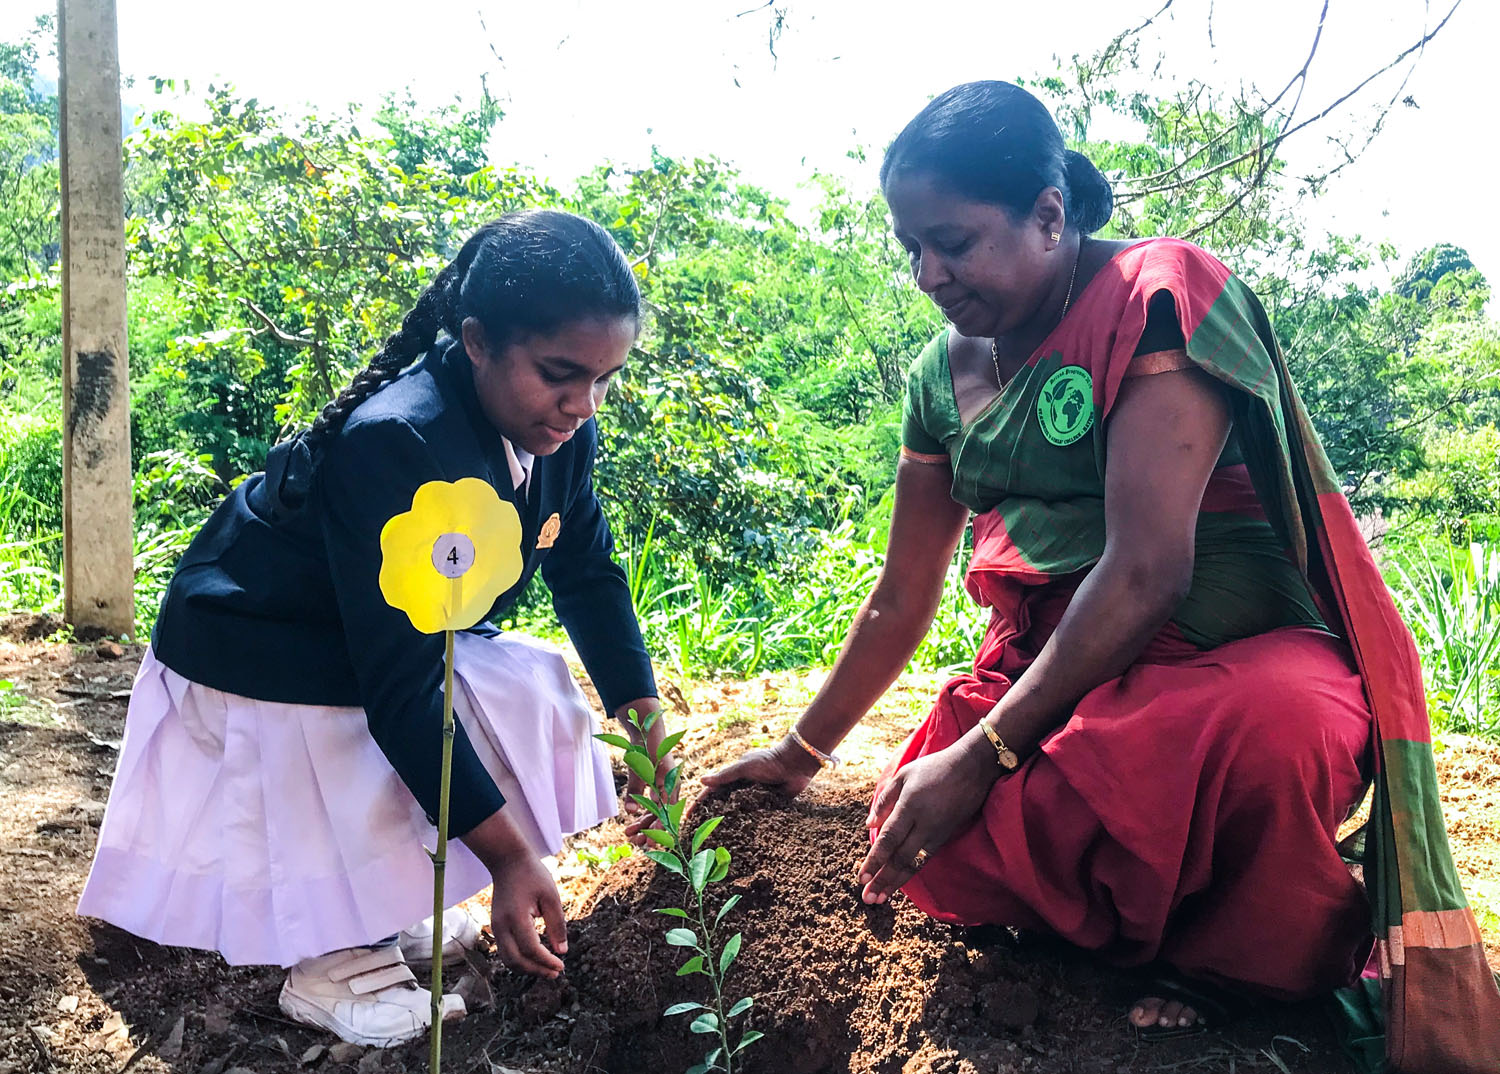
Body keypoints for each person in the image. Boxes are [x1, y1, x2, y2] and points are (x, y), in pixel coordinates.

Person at [705, 82, 1500, 1072]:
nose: (928, 272)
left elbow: (1147, 571)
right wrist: (800, 752)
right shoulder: (934, 380)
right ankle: (1121, 935)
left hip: (1229, 665)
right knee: (922, 825)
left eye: (954, 240)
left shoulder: (1156, 296)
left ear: (1049, 212)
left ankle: (1226, 967)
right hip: (1063, 675)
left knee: (1277, 733)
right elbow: (899, 597)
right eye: (911, 246)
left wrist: (987, 758)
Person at [78, 210, 677, 1048]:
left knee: (529, 685)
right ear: (475, 342)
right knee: (371, 733)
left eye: (606, 378)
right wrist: (508, 859)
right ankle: (330, 953)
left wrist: (647, 731)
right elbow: (398, 688)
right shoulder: (398, 441)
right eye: (559, 374)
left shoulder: (558, 434)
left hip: (359, 647)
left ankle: (382, 901)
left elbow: (587, 572)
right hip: (261, 656)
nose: (583, 404)